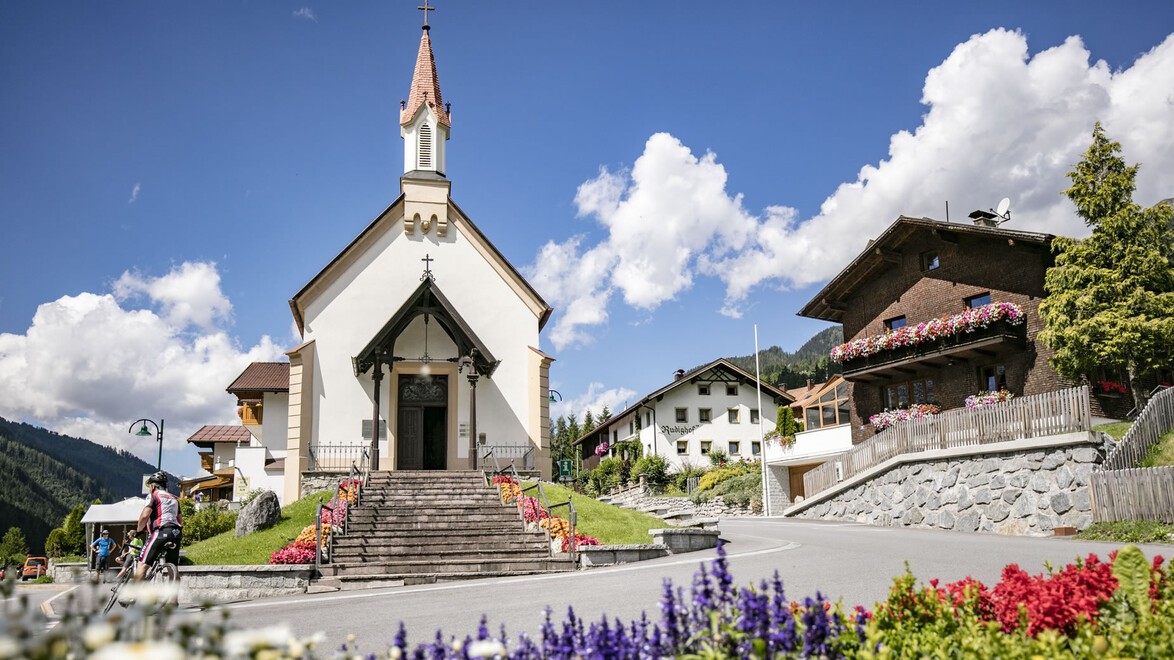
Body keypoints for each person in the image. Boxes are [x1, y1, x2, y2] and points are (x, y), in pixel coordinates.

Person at [135, 472, 183, 589]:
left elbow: (145, 516)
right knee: (173, 568)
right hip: (176, 533)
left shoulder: (154, 495)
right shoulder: (174, 499)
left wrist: (139, 530)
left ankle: (131, 594)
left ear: (153, 486)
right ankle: (173, 600)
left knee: (142, 564)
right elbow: (180, 519)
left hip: (161, 532)